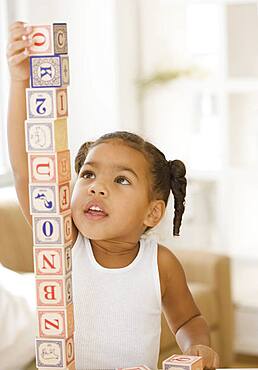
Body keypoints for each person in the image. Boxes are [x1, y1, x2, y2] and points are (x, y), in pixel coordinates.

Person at [7, 21, 219, 370]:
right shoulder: (65, 241)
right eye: (88, 173)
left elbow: (187, 320)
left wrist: (198, 346)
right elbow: (23, 171)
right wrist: (19, 82)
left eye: (121, 180)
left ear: (153, 213)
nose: (96, 186)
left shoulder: (160, 263)